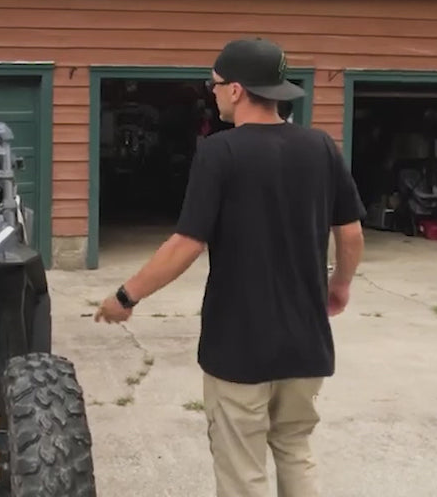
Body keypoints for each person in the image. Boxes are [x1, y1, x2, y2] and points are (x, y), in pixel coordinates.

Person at [94, 37, 366, 497]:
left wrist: (125, 296)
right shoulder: (320, 145)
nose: (212, 93)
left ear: (236, 89)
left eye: (214, 84)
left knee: (243, 471)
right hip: (306, 342)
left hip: (239, 345)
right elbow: (352, 233)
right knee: (295, 450)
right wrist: (338, 286)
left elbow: (186, 244)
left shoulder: (219, 152)